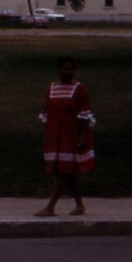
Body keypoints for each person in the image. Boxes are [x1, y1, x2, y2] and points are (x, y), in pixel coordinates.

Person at [35, 56, 95, 216]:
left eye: (70, 69)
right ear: (58, 70)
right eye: (64, 69)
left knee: (63, 171)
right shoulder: (51, 87)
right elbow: (48, 110)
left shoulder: (79, 88)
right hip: (54, 134)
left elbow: (84, 114)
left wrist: (82, 136)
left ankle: (50, 206)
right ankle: (79, 204)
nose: (67, 72)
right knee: (65, 171)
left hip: (70, 135)